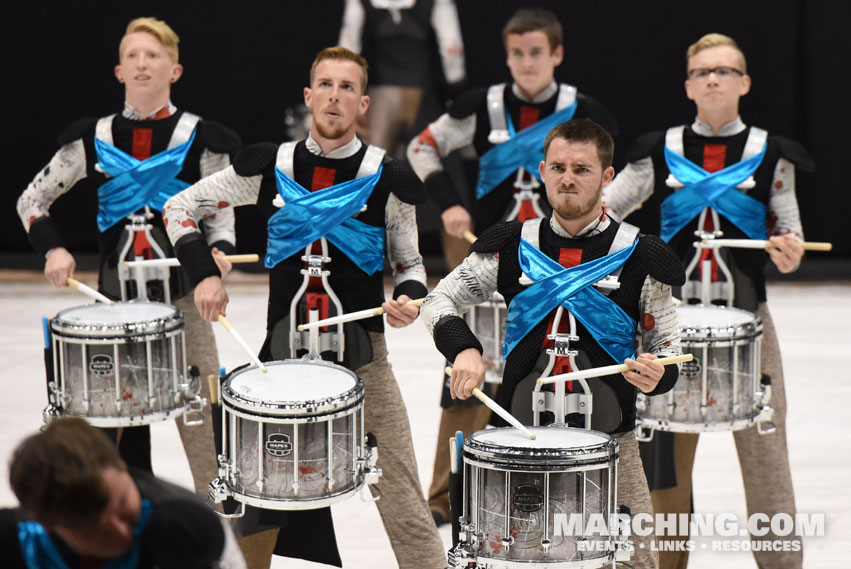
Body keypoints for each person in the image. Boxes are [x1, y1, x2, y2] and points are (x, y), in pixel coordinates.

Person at [162, 47, 447, 569]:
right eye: (325, 85)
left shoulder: (389, 177)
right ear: (309, 96)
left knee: (405, 502)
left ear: (363, 103)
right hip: (278, 368)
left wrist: (409, 297)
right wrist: (203, 271)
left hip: (364, 364)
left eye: (346, 88)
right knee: (250, 502)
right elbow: (179, 207)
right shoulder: (271, 165)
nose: (334, 96)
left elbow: (410, 264)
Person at [421, 118, 685, 569]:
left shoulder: (643, 255)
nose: (567, 179)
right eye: (558, 167)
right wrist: (464, 348)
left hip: (612, 448)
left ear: (607, 178)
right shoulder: (509, 245)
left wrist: (660, 373)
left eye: (582, 170)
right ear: (542, 170)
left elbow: (668, 343)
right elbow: (438, 299)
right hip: (519, 445)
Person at [601, 33, 811, 569]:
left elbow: (789, 237)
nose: (712, 79)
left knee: (766, 452)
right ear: (688, 86)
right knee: (658, 458)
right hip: (668, 327)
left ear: (744, 83)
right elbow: (603, 216)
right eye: (702, 72)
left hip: (748, 324)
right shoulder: (656, 151)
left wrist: (788, 251)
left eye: (723, 71)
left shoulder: (773, 155)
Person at [406, 7, 618, 526]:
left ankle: (547, 493)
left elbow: (620, 177)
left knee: (547, 372)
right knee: (466, 372)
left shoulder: (584, 110)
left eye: (536, 53)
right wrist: (447, 201)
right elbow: (422, 146)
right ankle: (445, 498)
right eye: (517, 53)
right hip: (491, 259)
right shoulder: (482, 104)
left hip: (559, 268)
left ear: (557, 55)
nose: (526, 63)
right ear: (507, 55)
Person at [15, 17, 241, 498]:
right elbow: (31, 201)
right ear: (119, 72)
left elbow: (220, 214)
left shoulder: (204, 139)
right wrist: (53, 248)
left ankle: (220, 540)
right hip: (112, 309)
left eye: (154, 56)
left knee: (209, 437)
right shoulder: (91, 139)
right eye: (133, 56)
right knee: (114, 437)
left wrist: (219, 252)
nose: (143, 64)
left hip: (186, 306)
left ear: (174, 71)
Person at [0, 417, 244, 569]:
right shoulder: (18, 541)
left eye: (123, 504)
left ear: (122, 466)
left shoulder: (187, 529)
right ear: (45, 524)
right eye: (93, 529)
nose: (122, 532)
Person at [338, 0, 466, 156]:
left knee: (373, 167)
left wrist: (346, 99)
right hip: (421, 95)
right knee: (424, 166)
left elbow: (348, 49)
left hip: (383, 96)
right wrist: (456, 94)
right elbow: (451, 49)